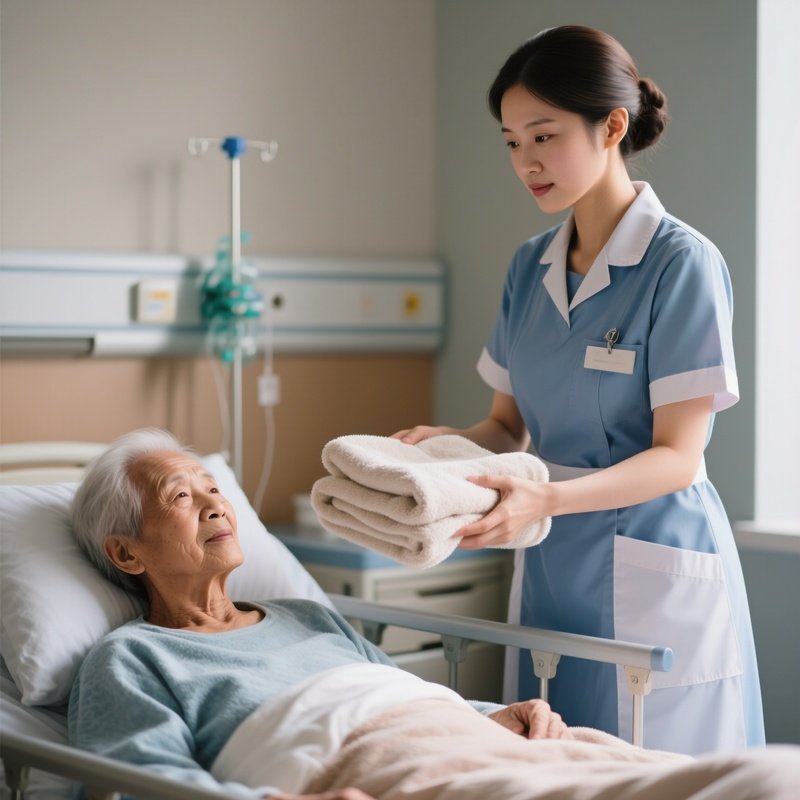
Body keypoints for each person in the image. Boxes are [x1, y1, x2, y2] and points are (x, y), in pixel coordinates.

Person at [393, 25, 764, 756]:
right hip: (552, 562)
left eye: (544, 136)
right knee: (550, 755)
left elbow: (679, 458)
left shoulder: (680, 264)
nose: (526, 162)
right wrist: (437, 447)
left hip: (655, 563)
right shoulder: (528, 268)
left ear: (612, 127)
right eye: (510, 142)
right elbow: (508, 427)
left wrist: (550, 498)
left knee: (653, 768)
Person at [67, 429, 796, 800]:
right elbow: (141, 781)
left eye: (209, 485)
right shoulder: (134, 659)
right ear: (126, 554)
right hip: (379, 772)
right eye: (180, 497)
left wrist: (494, 714)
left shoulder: (305, 618)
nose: (215, 500)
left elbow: (407, 698)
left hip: (473, 745)